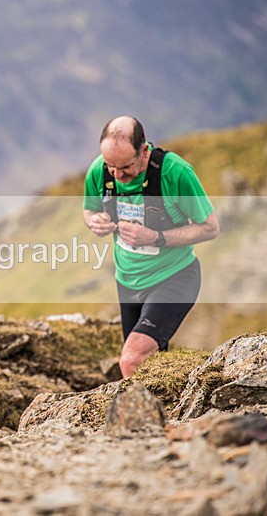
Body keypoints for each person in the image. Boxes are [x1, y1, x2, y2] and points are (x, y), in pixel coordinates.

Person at [83, 116, 219, 377]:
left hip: (174, 278)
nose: (117, 175)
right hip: (127, 282)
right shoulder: (100, 170)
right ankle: (169, 415)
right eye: (111, 166)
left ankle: (140, 418)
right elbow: (89, 210)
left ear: (143, 150)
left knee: (132, 360)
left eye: (125, 167)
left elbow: (210, 227)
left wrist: (155, 237)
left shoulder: (175, 173)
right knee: (151, 368)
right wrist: (95, 222)